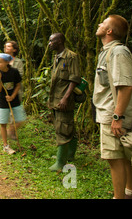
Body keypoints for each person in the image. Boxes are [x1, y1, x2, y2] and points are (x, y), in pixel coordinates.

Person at [93, 15, 132, 199]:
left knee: (115, 158)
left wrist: (117, 117)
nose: (99, 24)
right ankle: (130, 193)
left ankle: (120, 196)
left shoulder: (118, 52)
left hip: (113, 115)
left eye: (103, 23)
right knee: (126, 155)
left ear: (109, 31)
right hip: (112, 113)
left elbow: (126, 86)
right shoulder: (107, 51)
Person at [47, 33, 81, 171]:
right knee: (66, 126)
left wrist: (65, 98)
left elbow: (74, 79)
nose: (49, 44)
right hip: (55, 97)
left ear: (59, 41)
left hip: (64, 99)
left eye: (51, 41)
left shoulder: (71, 56)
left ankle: (61, 163)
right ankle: (69, 154)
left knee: (63, 128)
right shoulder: (57, 57)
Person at [0, 40, 24, 139]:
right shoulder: (0, 59)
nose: (5, 47)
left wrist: (9, 75)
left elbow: (19, 78)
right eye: (5, 46)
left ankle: (11, 131)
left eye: (8, 46)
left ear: (14, 49)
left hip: (14, 91)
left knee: (13, 112)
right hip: (1, 89)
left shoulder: (18, 62)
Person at [0, 53, 26, 154]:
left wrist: (12, 96)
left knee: (21, 119)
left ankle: (9, 132)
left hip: (15, 101)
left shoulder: (14, 72)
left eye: (0, 62)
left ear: (7, 62)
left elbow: (18, 84)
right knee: (3, 123)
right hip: (3, 101)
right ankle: (5, 145)